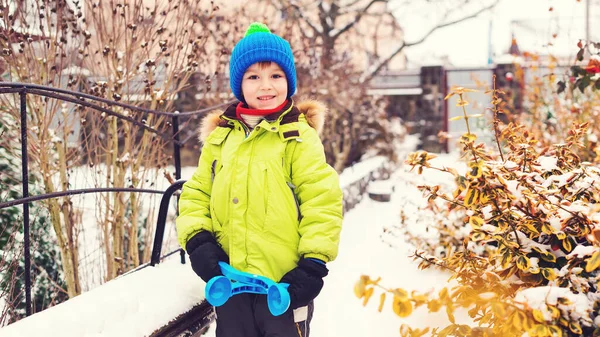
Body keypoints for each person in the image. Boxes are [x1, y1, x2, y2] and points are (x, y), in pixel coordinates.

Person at [176, 22, 343, 337]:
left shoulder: (297, 137)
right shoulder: (221, 138)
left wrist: (313, 262)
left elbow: (322, 199)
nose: (266, 86)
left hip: (283, 287)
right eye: (254, 76)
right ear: (240, 84)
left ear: (288, 81)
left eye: (275, 75)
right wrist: (198, 240)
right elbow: (197, 192)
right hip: (230, 285)